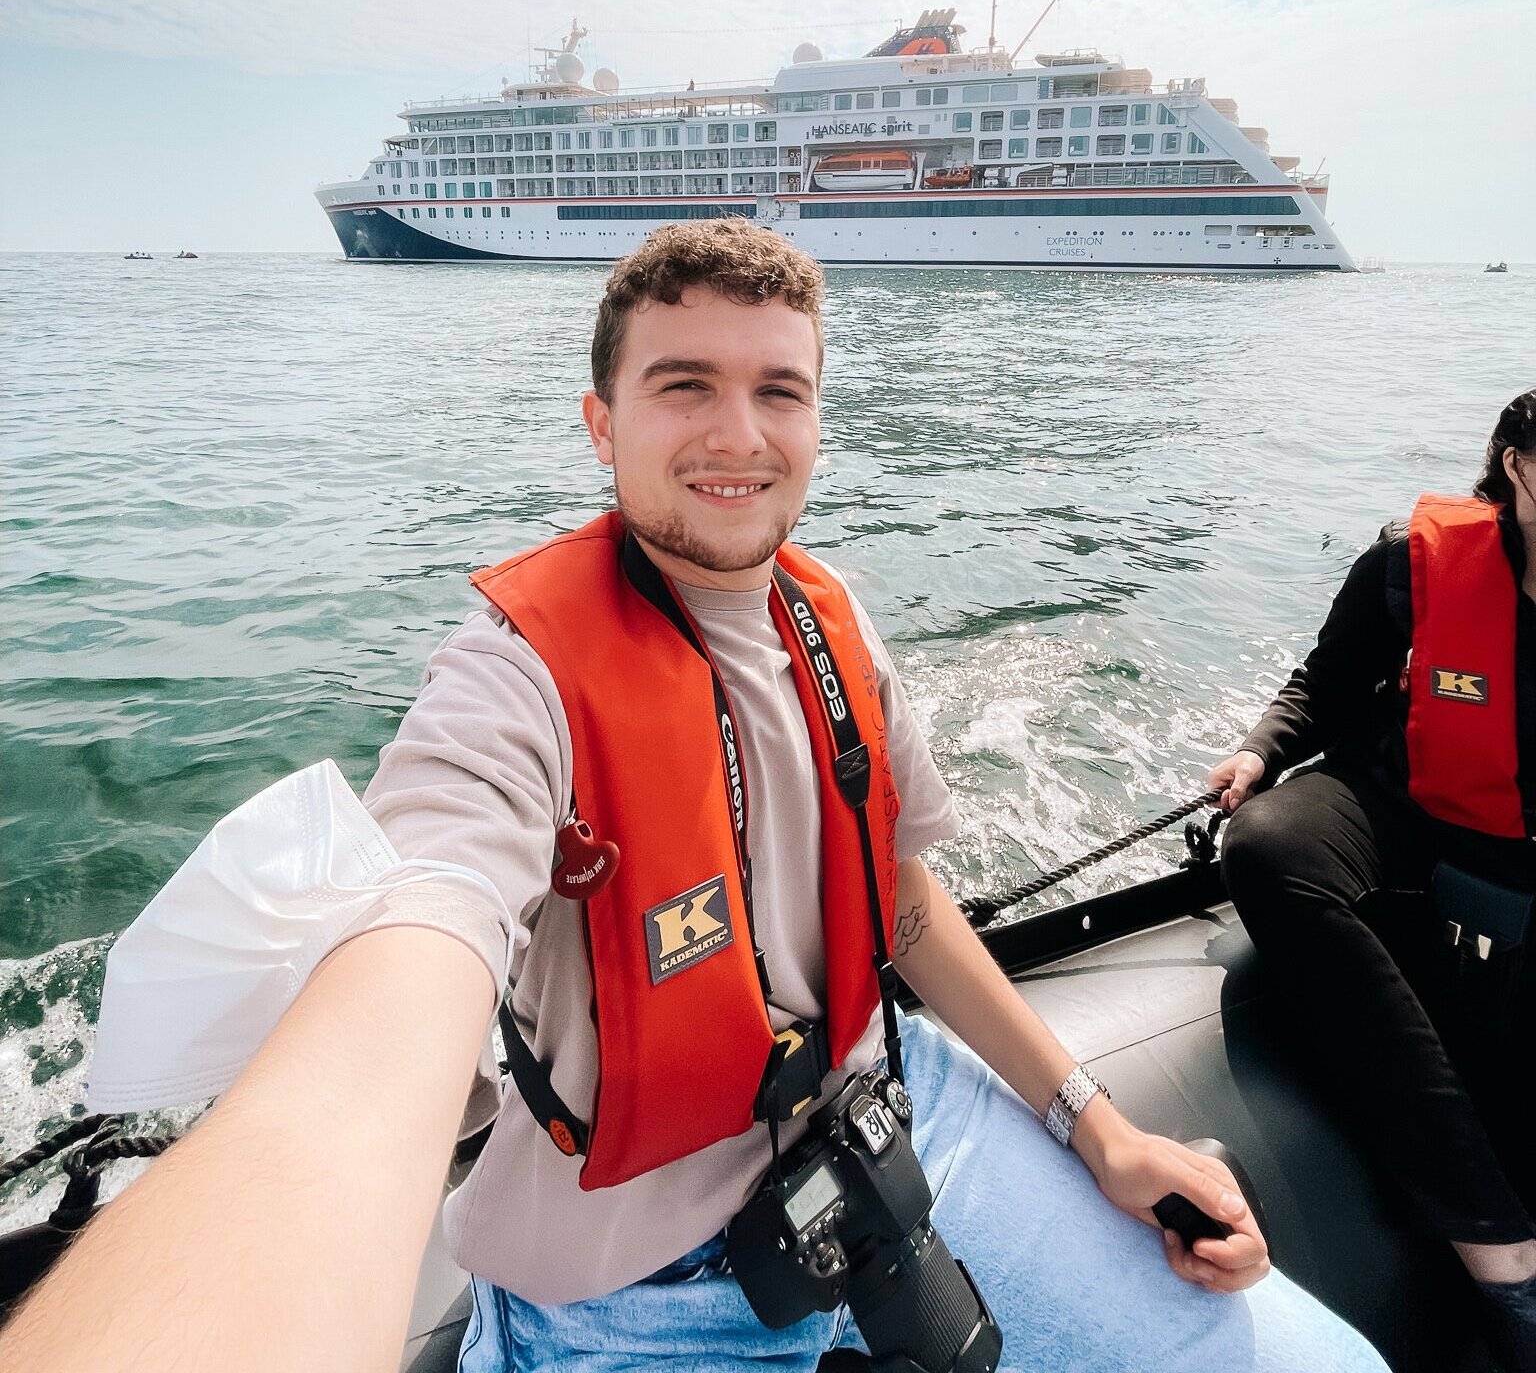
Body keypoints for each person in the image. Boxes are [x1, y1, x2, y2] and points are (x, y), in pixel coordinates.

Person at [3, 220, 1383, 1373]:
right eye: (684, 386)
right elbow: (418, 935)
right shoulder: (513, 682)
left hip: (904, 1132)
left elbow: (899, 905)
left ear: (820, 419)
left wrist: (1101, 1125)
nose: (740, 435)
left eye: (780, 390)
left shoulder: (835, 626)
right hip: (630, 1290)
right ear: (601, 423)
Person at [1212, 388, 1536, 1372]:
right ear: (1519, 469)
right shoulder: (1416, 560)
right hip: (1410, 812)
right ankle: (1498, 1249)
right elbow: (1329, 681)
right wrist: (1262, 753)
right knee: (1269, 849)